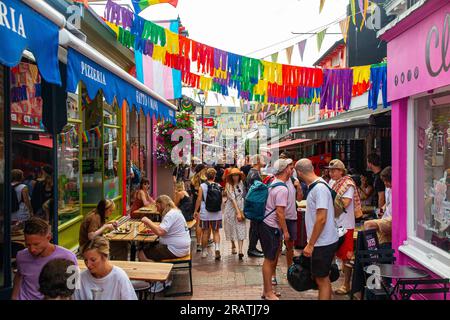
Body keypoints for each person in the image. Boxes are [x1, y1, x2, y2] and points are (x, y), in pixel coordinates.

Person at [295, 159, 339, 300]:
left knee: (322, 279)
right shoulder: (318, 186)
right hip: (323, 240)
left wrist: (311, 244)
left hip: (323, 242)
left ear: (299, 173)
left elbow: (321, 218)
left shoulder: (319, 188)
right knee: (320, 277)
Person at [12, 217, 78, 300]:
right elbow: (19, 276)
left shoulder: (68, 257)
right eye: (28, 244)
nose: (32, 249)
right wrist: (14, 297)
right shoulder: (21, 256)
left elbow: (74, 287)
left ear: (48, 237)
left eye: (36, 244)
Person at [325, 159, 361, 295]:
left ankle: (346, 284)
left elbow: (344, 204)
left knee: (346, 256)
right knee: (331, 253)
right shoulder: (332, 182)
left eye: (334, 170)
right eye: (330, 170)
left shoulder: (348, 184)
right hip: (333, 222)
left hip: (345, 224)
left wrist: (327, 204)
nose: (331, 172)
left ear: (341, 171)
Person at [259, 159, 291, 300]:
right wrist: (285, 231)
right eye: (290, 167)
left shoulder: (273, 182)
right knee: (269, 260)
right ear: (285, 170)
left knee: (270, 259)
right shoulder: (282, 188)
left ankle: (267, 290)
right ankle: (268, 292)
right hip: (271, 227)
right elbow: (279, 213)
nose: (292, 169)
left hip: (265, 225)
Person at [139, 195, 191, 262]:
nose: (157, 210)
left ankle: (158, 270)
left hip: (175, 249)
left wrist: (147, 221)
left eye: (157, 206)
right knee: (150, 246)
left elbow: (160, 232)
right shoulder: (174, 212)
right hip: (181, 247)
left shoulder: (170, 214)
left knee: (141, 254)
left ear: (162, 205)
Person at [194, 168, 223, 260]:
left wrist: (195, 210)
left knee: (205, 232)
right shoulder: (218, 185)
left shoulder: (202, 186)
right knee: (216, 231)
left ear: (206, 176)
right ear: (214, 176)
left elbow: (199, 199)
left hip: (205, 212)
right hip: (216, 213)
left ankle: (204, 252)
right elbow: (221, 200)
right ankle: (217, 248)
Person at [364, 167, 392, 248]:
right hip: (386, 217)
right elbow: (387, 202)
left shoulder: (398, 189)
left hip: (394, 219)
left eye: (387, 181)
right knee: (381, 240)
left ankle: (372, 253)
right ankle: (379, 256)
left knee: (368, 224)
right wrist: (381, 210)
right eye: (384, 181)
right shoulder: (387, 188)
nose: (385, 184)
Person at [223, 168, 247, 260]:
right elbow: (232, 199)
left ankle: (240, 251)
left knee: (241, 228)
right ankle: (233, 245)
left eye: (237, 175)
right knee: (231, 228)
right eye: (233, 175)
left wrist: (241, 211)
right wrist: (238, 212)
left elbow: (242, 196)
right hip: (231, 209)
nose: (235, 177)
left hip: (240, 207)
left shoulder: (241, 183)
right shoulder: (228, 185)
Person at [246, 154, 266, 258]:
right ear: (258, 161)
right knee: (254, 228)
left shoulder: (254, 172)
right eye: (263, 159)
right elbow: (255, 190)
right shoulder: (254, 173)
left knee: (254, 227)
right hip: (255, 204)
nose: (264, 161)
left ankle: (252, 247)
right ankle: (251, 249)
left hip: (254, 204)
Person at [190, 163, 207, 252]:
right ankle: (205, 241)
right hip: (204, 203)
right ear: (202, 170)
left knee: (198, 224)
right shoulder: (205, 180)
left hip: (195, 203)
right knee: (206, 224)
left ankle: (198, 244)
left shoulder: (193, 180)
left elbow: (193, 193)